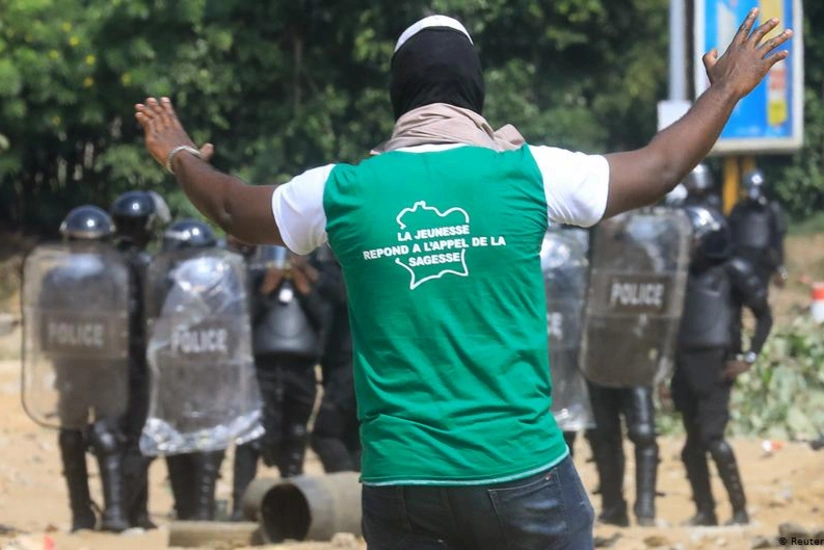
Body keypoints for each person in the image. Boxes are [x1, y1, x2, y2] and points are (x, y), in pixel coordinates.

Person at [134, 10, 791, 549]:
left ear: (397, 95)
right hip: (522, 472)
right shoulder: (530, 173)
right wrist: (724, 91)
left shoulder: (339, 191)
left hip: (399, 484)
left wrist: (180, 152)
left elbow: (231, 208)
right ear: (475, 92)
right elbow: (660, 168)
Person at [674, 205, 773, 526]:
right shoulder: (678, 274)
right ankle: (705, 512)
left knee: (712, 438)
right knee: (692, 447)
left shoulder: (734, 270)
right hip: (684, 365)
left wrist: (750, 357)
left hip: (717, 365)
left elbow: (764, 315)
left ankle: (739, 511)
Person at [45, 206, 131, 533]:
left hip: (95, 367)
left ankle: (103, 514)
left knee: (95, 435)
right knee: (80, 436)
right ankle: (94, 514)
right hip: (81, 367)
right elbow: (44, 325)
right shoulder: (58, 278)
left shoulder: (113, 276)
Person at [153, 220, 227, 521]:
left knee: (206, 441)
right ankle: (188, 510)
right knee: (178, 442)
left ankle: (201, 511)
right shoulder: (160, 285)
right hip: (175, 375)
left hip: (209, 374)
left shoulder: (220, 287)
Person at [110, 190, 170, 530]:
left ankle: (137, 513)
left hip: (107, 364)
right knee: (140, 438)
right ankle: (120, 510)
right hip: (139, 363)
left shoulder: (105, 260)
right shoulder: (148, 265)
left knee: (122, 437)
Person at [310, 244, 361, 473]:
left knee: (325, 434)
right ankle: (358, 488)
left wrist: (310, 273)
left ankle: (346, 488)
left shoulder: (351, 271)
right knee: (353, 437)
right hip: (343, 364)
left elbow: (342, 292)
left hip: (349, 365)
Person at [728, 169, 788, 289]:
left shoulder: (771, 209)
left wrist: (779, 266)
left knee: (760, 292)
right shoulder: (739, 209)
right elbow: (730, 234)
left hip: (763, 261)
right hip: (740, 258)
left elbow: (777, 240)